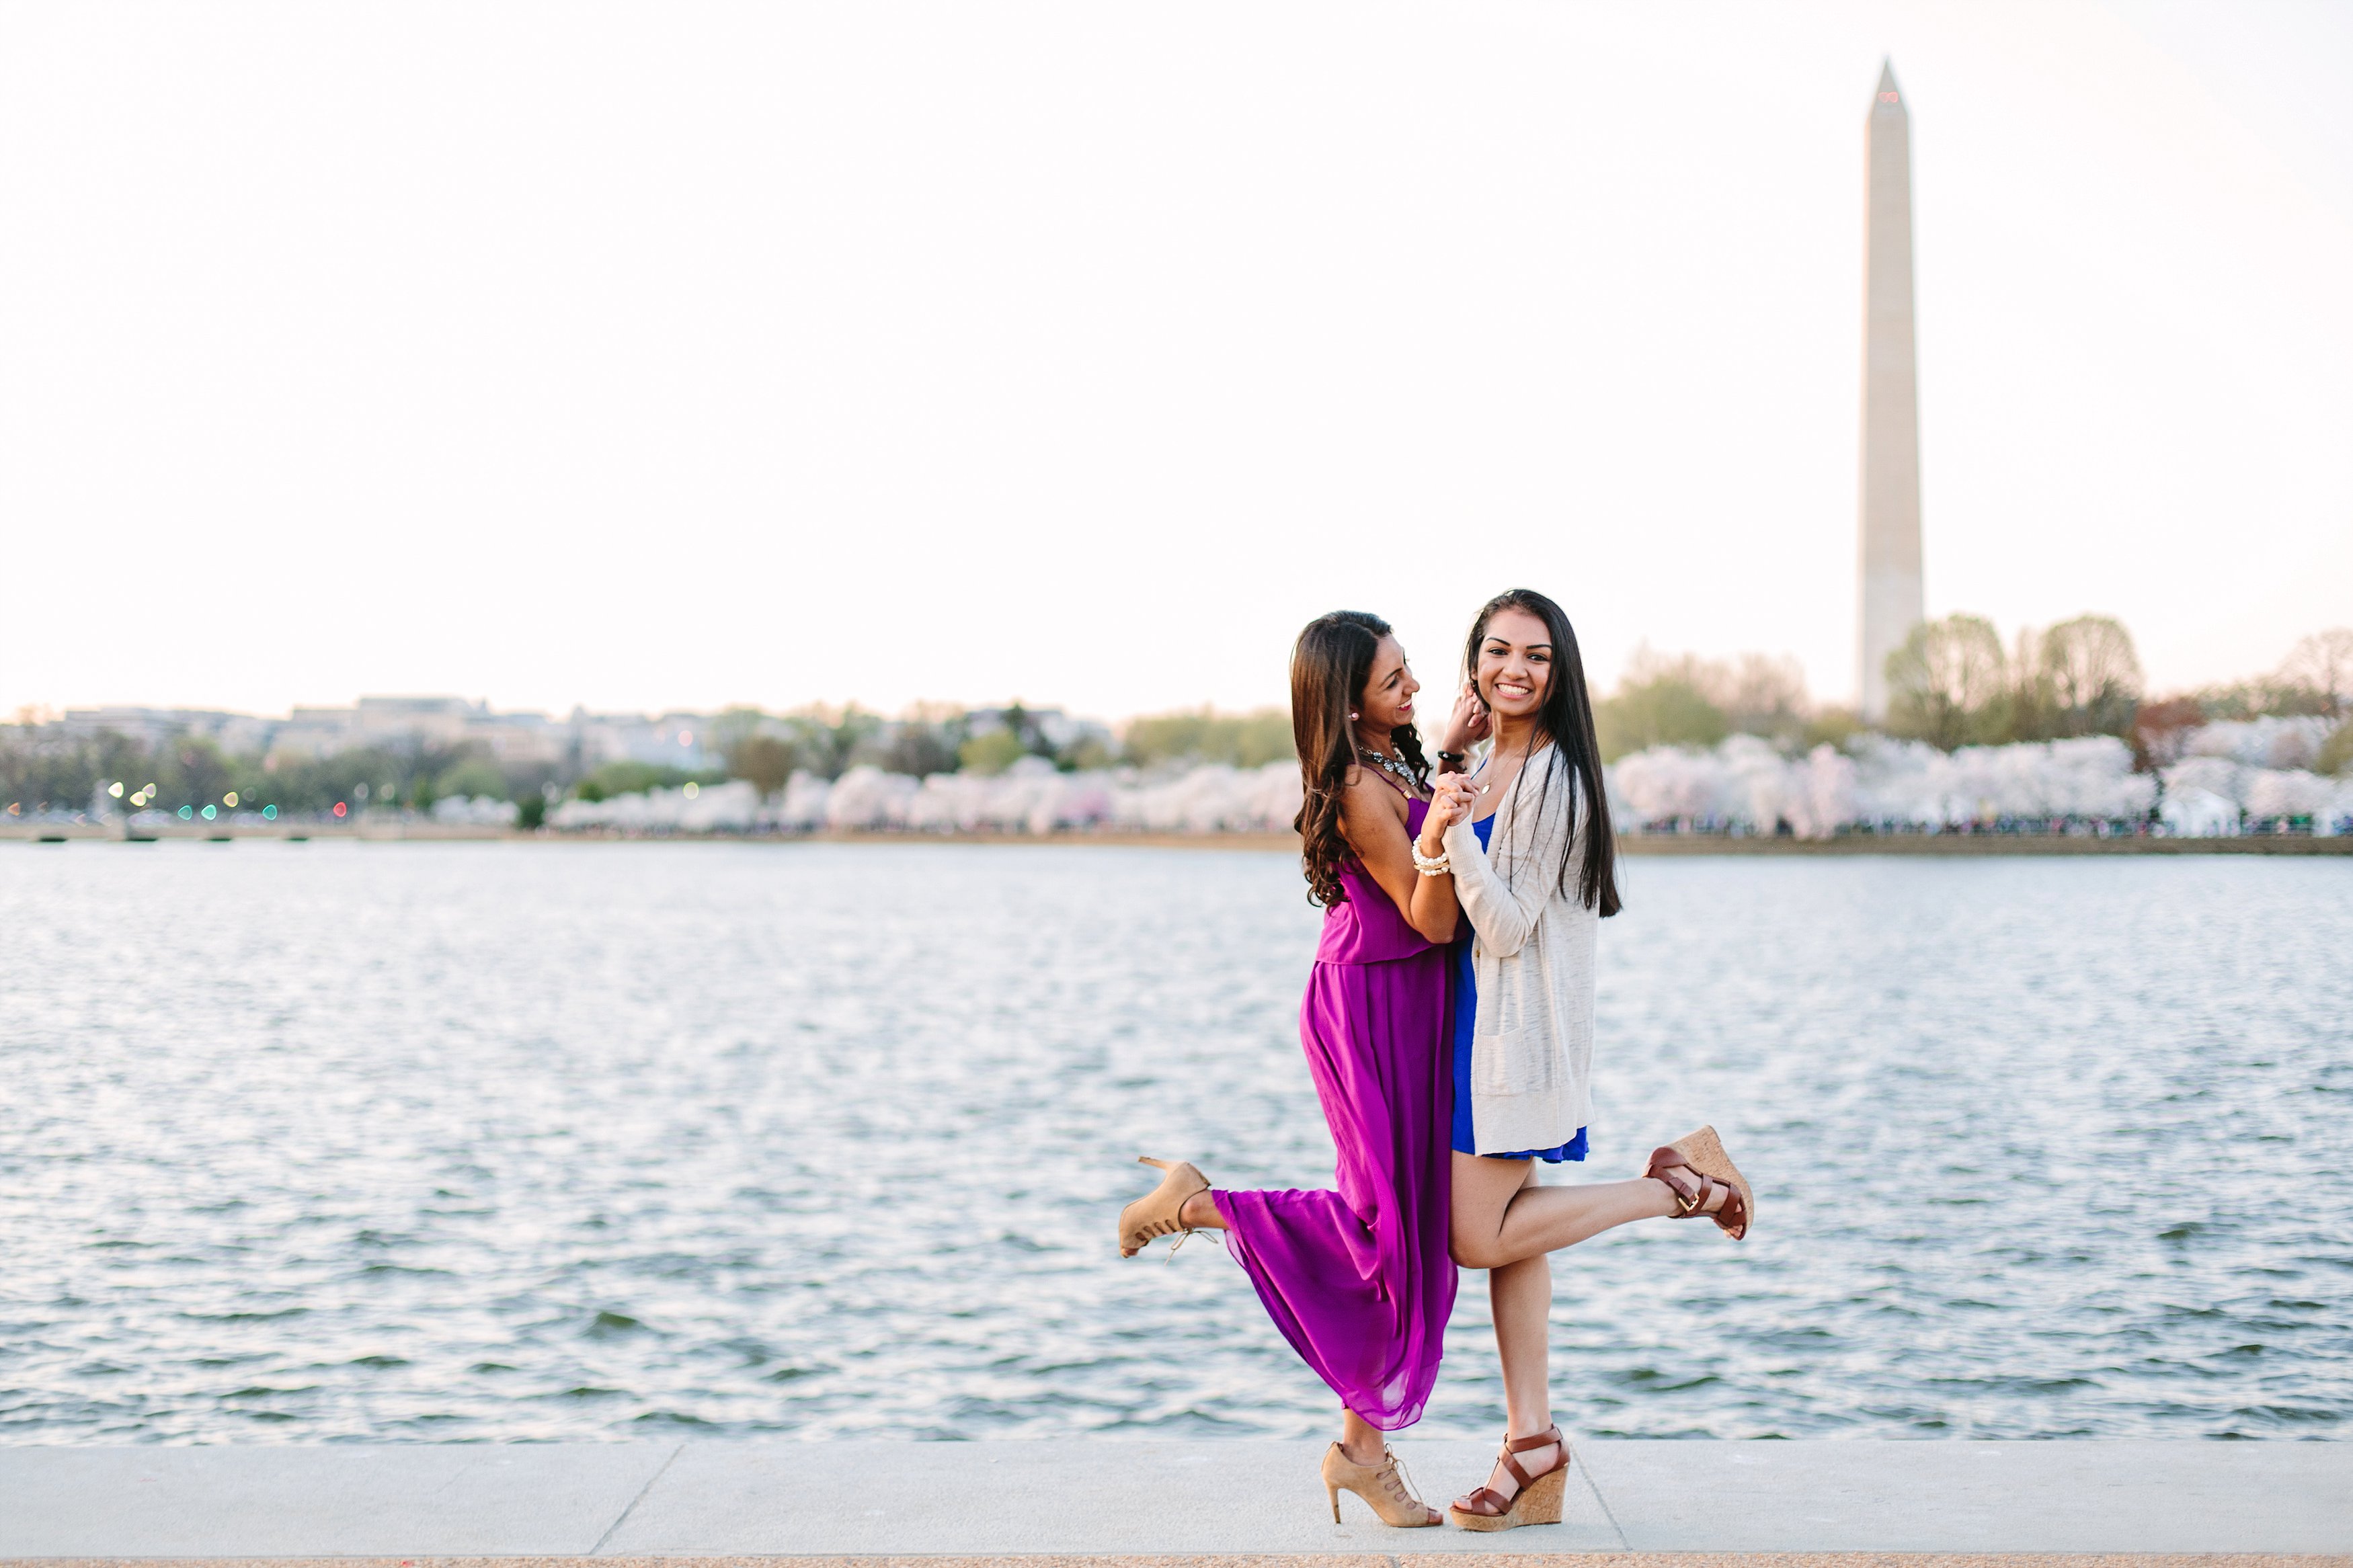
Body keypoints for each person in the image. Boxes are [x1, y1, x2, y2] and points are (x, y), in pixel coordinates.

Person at [1117, 610, 1470, 1528]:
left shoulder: (1393, 762)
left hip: (1418, 1006)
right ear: (1345, 699)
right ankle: (1198, 1204)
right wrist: (1448, 827)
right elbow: (1429, 917)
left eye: (1409, 672)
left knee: (1419, 1237)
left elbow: (1432, 866)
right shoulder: (1356, 785)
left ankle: (1361, 1452)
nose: (1415, 689)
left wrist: (1458, 757)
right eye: (1394, 679)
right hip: (1372, 1006)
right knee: (1382, 1231)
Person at [1428, 588, 1754, 1534]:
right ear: (1476, 660)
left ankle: (1676, 1188)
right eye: (1497, 651)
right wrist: (1452, 768)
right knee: (1512, 1240)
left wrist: (1448, 823)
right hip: (1469, 1027)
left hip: (1512, 1038)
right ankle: (1532, 1441)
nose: (1513, 670)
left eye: (1535, 655)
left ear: (1560, 674)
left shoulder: (1554, 778)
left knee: (1478, 1235)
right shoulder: (1492, 761)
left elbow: (1503, 921)